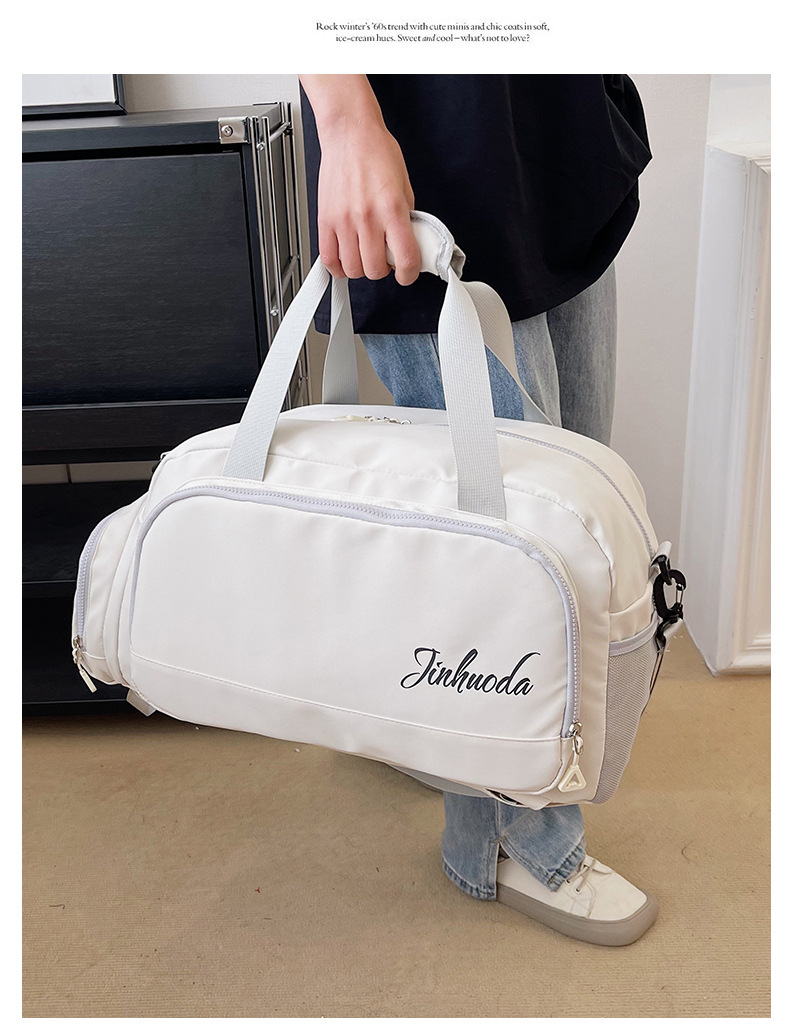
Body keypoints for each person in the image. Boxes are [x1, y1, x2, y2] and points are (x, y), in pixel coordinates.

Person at [298, 74, 655, 946]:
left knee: (573, 511)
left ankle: (437, 731)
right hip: (429, 134)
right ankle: (510, 841)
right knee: (513, 551)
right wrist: (345, 120)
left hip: (551, 127)